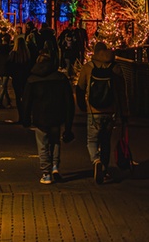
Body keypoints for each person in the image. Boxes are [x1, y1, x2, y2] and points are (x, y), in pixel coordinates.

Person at [75, 42, 129, 184]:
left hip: (93, 111)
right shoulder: (115, 67)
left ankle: (96, 160)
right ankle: (104, 170)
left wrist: (82, 106)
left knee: (92, 140)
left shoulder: (88, 67)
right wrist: (124, 113)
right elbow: (122, 93)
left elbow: (80, 88)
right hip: (111, 111)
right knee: (106, 141)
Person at [20, 49, 75, 185]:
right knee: (55, 141)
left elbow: (26, 101)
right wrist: (68, 122)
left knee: (43, 144)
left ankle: (46, 173)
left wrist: (25, 118)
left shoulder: (32, 80)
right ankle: (55, 166)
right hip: (57, 115)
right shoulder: (60, 78)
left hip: (40, 117)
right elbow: (68, 101)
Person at [8, 34, 32, 120]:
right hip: (26, 78)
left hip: (16, 78)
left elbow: (9, 66)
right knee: (26, 97)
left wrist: (11, 75)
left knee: (18, 97)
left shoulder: (13, 54)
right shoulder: (27, 54)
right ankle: (27, 116)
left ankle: (21, 117)